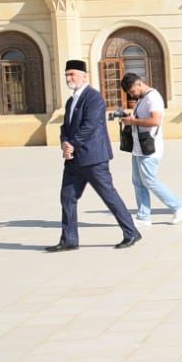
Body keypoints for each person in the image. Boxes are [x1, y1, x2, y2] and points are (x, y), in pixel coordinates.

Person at [47, 60, 141, 251]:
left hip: (94, 158)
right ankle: (69, 240)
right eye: (66, 75)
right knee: (67, 197)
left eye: (72, 74)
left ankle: (131, 232)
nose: (69, 78)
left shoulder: (94, 98)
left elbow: (89, 126)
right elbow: (66, 126)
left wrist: (72, 144)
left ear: (84, 76)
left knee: (108, 196)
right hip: (73, 161)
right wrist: (65, 142)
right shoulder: (71, 101)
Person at [118, 73, 182, 228]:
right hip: (138, 147)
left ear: (139, 84)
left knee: (149, 180)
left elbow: (155, 121)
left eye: (132, 91)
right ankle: (143, 217)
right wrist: (130, 118)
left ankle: (178, 205)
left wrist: (133, 120)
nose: (131, 95)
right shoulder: (142, 99)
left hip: (150, 147)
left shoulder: (152, 98)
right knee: (138, 182)